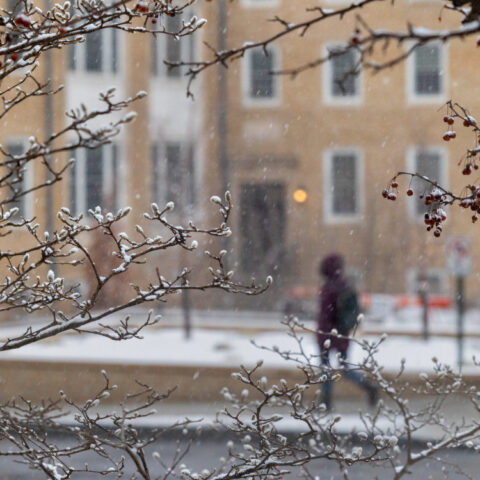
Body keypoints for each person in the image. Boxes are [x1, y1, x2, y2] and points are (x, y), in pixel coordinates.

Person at [317, 253, 377, 411]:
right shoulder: (346, 286)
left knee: (325, 368)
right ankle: (367, 386)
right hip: (342, 333)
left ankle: (326, 402)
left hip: (327, 335)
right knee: (344, 368)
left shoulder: (328, 288)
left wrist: (322, 332)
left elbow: (325, 315)